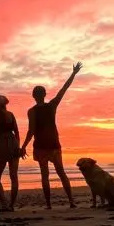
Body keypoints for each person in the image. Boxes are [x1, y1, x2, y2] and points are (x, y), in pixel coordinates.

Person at [20, 62, 83, 209]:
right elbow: (63, 89)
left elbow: (31, 131)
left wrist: (23, 146)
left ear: (33, 96)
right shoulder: (52, 106)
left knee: (45, 176)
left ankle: (48, 205)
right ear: (45, 95)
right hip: (54, 145)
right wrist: (73, 73)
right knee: (61, 173)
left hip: (41, 146)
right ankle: (71, 202)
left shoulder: (32, 111)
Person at [0, 95, 21, 212]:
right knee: (14, 176)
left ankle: (4, 204)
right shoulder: (11, 114)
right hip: (13, 143)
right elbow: (17, 132)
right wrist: (18, 146)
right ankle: (11, 205)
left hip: (3, 144)